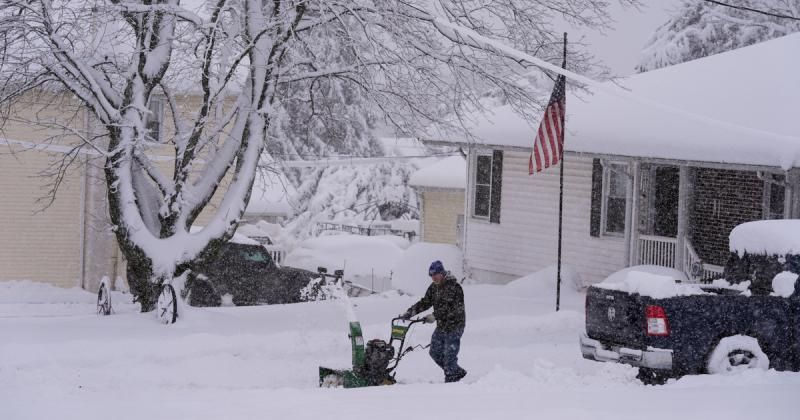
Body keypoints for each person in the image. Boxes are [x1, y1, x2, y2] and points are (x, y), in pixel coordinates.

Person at [399, 260, 467, 383]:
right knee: (434, 352)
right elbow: (425, 302)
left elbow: (449, 308)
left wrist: (434, 316)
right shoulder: (434, 287)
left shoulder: (453, 286)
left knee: (449, 356)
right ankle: (456, 372)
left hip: (455, 325)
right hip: (442, 325)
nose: (433, 278)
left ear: (442, 273)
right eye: (431, 275)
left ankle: (451, 382)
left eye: (435, 274)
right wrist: (411, 312)